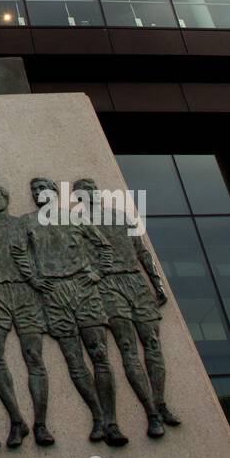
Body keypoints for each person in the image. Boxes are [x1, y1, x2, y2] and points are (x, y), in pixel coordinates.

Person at [14, 176, 128, 447]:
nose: (39, 192)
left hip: (83, 289)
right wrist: (33, 279)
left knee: (99, 354)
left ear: (55, 192)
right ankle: (98, 417)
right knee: (73, 360)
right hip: (53, 293)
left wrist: (98, 272)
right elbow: (19, 252)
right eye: (35, 190)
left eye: (44, 188)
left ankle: (112, 422)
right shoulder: (27, 222)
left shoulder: (75, 218)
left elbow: (103, 247)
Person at [73, 177, 177, 436]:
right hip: (108, 285)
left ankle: (161, 403)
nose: (87, 196)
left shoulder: (121, 216)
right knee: (127, 347)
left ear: (97, 193)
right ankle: (151, 413)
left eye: (90, 191)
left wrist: (158, 285)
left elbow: (143, 252)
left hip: (136, 281)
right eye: (81, 194)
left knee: (152, 343)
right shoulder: (78, 224)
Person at [0, 182, 54, 448]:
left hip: (25, 293)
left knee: (33, 355)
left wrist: (40, 283)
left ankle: (41, 423)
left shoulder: (23, 224)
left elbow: (40, 257)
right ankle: (17, 420)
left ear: (6, 197)